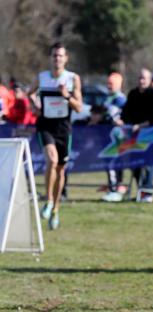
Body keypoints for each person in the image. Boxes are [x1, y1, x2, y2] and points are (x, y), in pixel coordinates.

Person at [28, 42, 82, 230]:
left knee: (60, 169)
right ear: (50, 58)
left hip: (63, 128)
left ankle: (56, 208)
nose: (57, 59)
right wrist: (35, 105)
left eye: (60, 56)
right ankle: (48, 199)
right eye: (54, 56)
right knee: (52, 160)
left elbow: (79, 107)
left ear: (66, 58)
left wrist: (66, 96)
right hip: (46, 125)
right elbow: (30, 94)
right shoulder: (42, 78)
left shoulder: (72, 78)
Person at [119, 68, 153, 202]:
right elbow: (126, 112)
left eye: (144, 78)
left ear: (150, 80)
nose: (141, 81)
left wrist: (144, 125)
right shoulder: (133, 94)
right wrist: (121, 120)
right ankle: (141, 190)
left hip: (150, 132)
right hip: (134, 134)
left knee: (149, 162)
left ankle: (148, 193)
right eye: (140, 78)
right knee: (134, 162)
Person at [101, 72, 127, 202]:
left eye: (111, 84)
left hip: (117, 138)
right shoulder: (108, 98)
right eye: (108, 83)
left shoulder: (121, 99)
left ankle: (116, 189)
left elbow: (119, 117)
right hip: (106, 136)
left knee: (114, 163)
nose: (108, 86)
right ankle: (113, 187)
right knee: (109, 163)